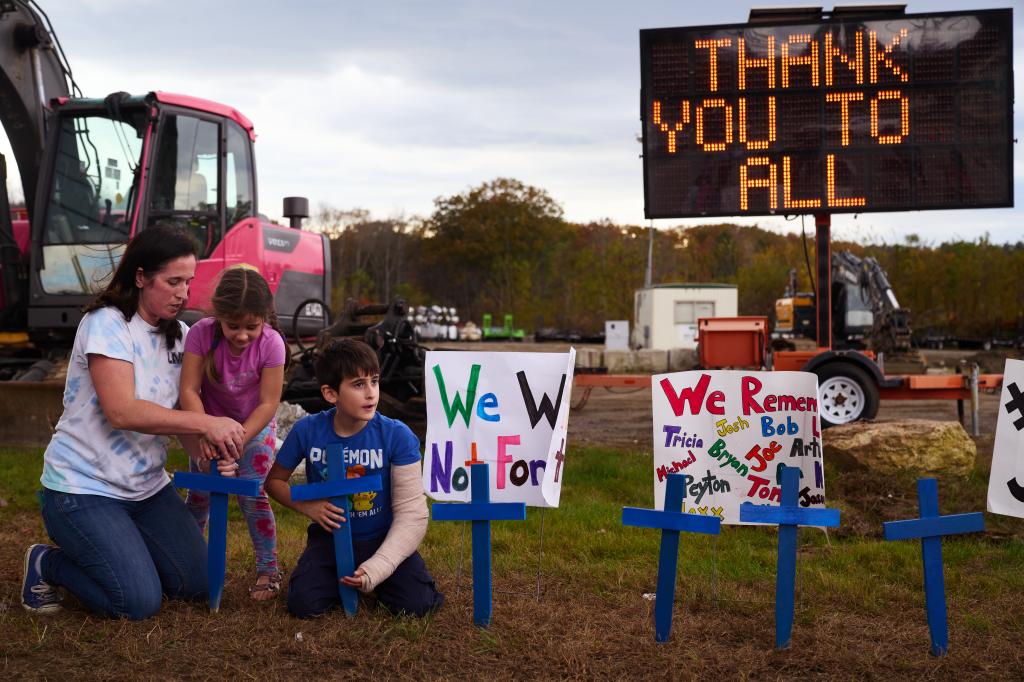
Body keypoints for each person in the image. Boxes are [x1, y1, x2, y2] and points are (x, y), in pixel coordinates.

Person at [21, 223, 245, 619]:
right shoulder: (107, 324)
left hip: (147, 490)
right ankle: (47, 563)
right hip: (83, 487)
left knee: (197, 582)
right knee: (136, 601)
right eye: (173, 281)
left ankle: (127, 551)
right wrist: (207, 424)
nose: (183, 293)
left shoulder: (183, 335)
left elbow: (182, 418)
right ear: (141, 277)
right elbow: (121, 410)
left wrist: (209, 455)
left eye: (188, 282)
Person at [265, 338, 443, 618]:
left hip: (383, 537)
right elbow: (274, 483)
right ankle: (345, 581)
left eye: (374, 381)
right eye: (358, 384)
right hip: (329, 538)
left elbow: (413, 514)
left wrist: (379, 566)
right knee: (303, 605)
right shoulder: (307, 431)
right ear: (330, 393)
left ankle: (376, 579)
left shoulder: (396, 435)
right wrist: (308, 506)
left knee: (417, 604)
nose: (371, 393)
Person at [180, 267, 286, 601]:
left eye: (251, 327)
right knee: (200, 493)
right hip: (207, 426)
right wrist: (207, 433)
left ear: (264, 318)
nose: (242, 335)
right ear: (218, 316)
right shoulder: (200, 334)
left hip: (254, 427)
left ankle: (269, 568)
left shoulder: (272, 344)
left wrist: (237, 439)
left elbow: (269, 403)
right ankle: (185, 564)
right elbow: (188, 390)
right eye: (233, 326)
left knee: (251, 491)